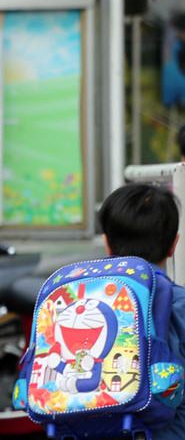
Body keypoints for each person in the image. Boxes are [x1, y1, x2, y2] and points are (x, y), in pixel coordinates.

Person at [98, 183, 185, 439]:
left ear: (107, 244)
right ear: (173, 245)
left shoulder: (83, 296)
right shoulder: (178, 301)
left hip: (86, 428)